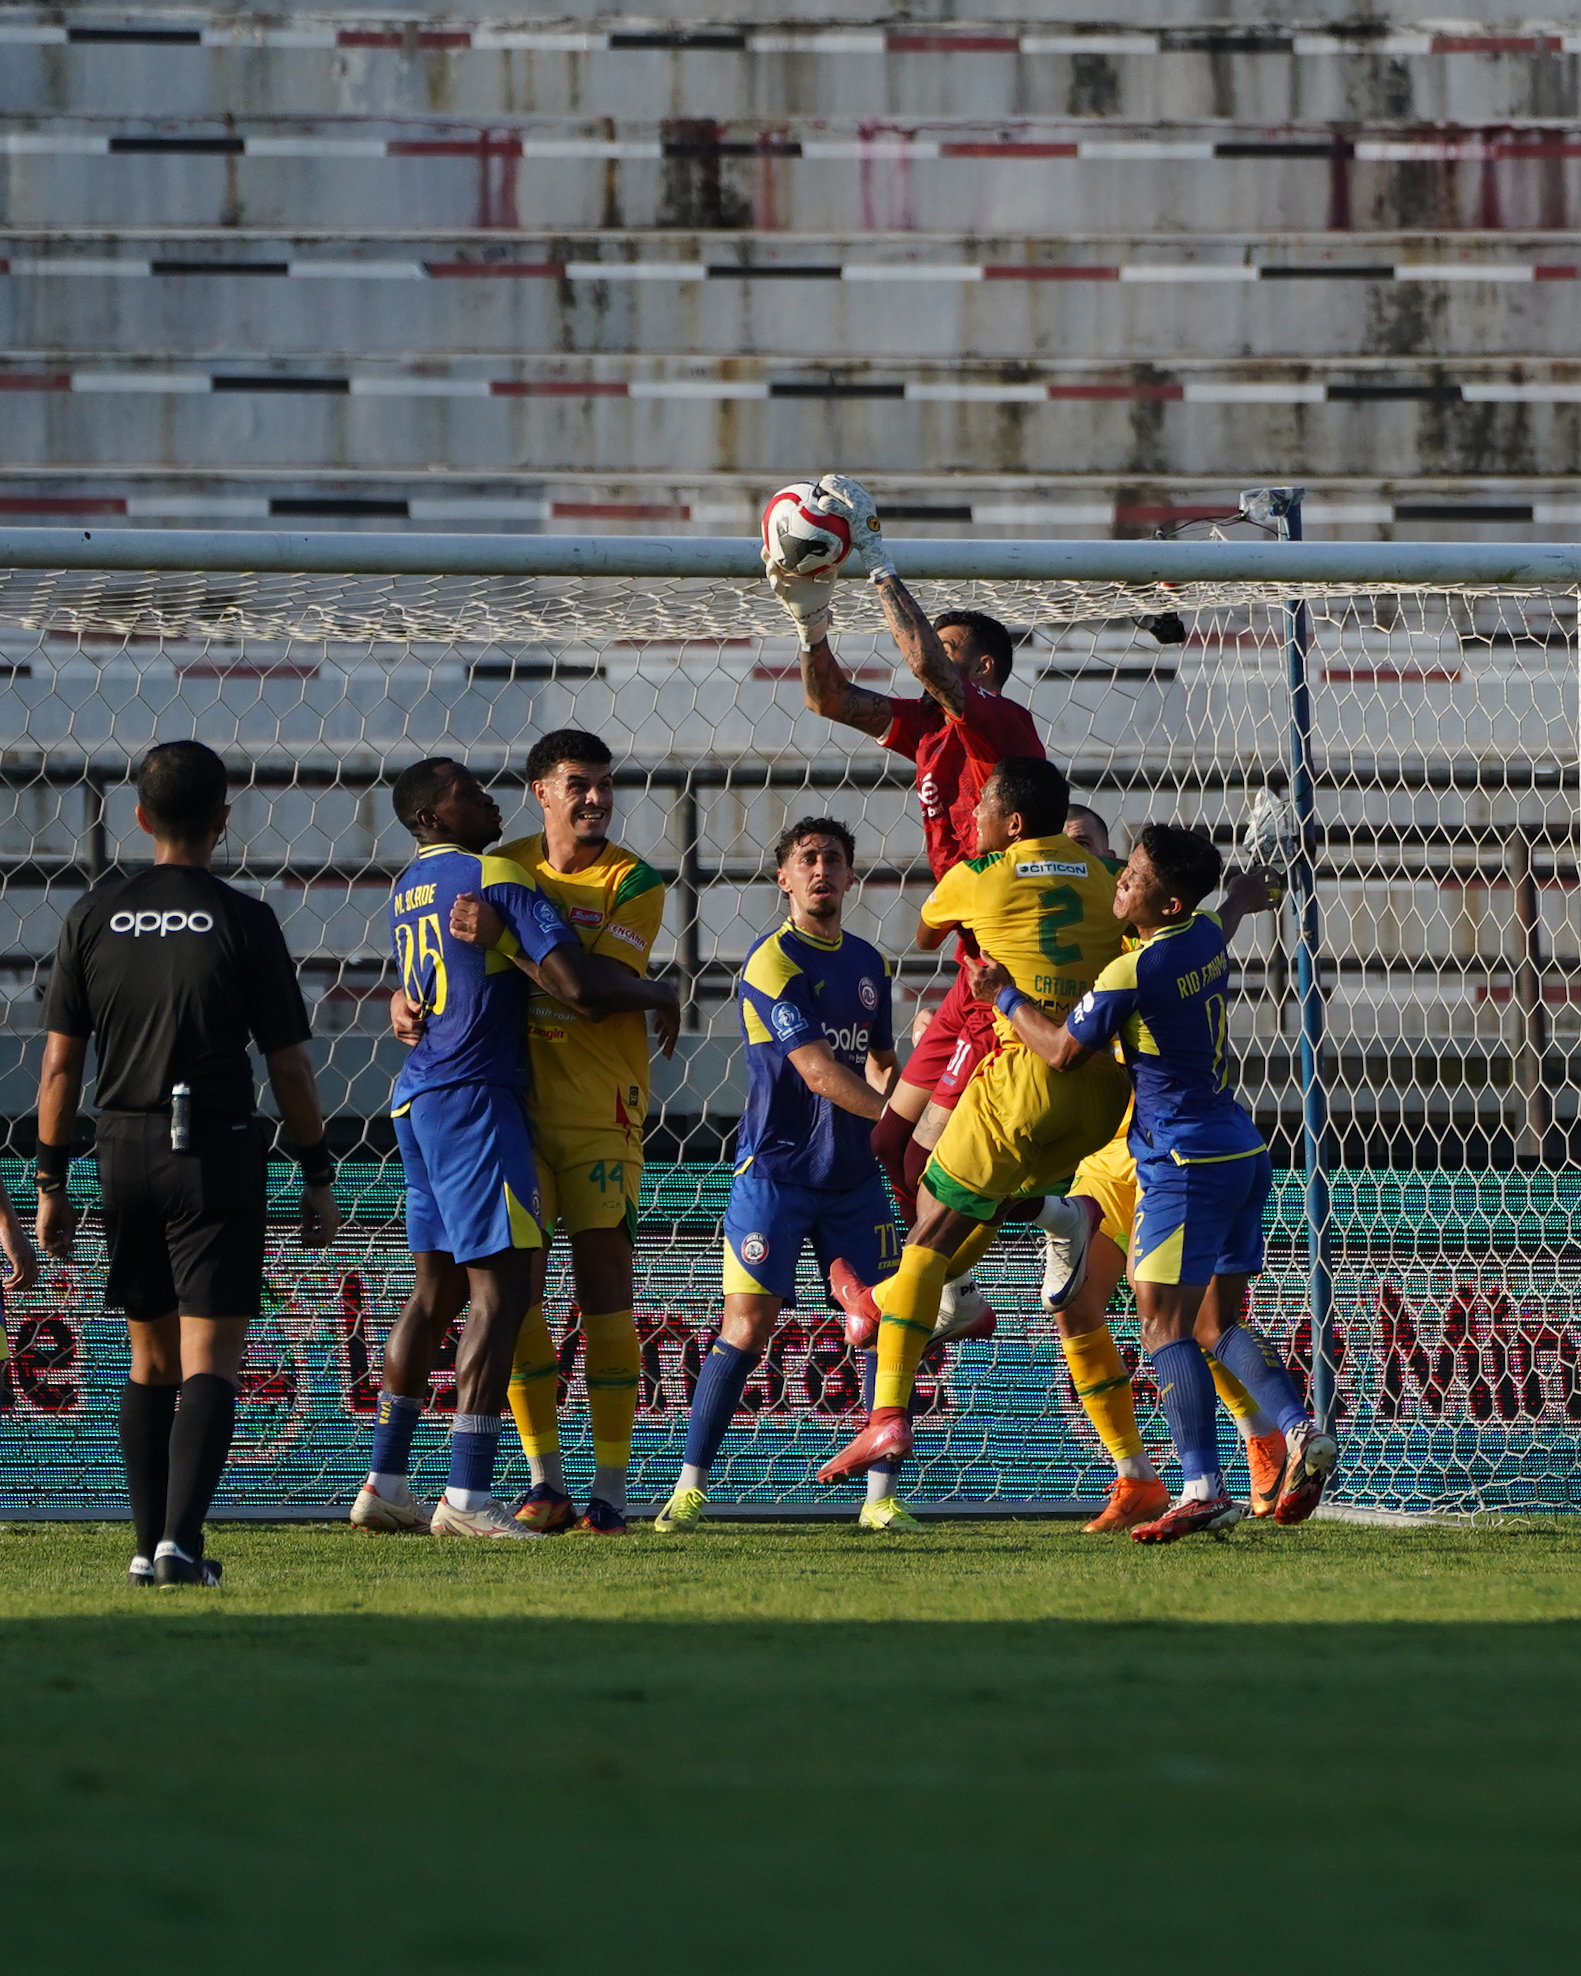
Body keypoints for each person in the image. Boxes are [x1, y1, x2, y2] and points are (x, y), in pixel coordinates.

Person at [33, 739, 342, 1588]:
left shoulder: (94, 914)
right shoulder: (244, 919)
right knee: (210, 1361)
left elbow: (59, 1066)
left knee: (149, 1361)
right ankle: (179, 1543)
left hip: (122, 1149)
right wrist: (317, 1173)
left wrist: (50, 1182)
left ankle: (145, 1546)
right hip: (214, 1149)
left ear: (139, 818)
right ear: (222, 821)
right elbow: (288, 1066)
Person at [974, 823, 1339, 1542]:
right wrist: (1246, 888)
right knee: (1214, 1324)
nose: (1120, 881)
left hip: (1181, 1163)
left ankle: (1200, 1487)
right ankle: (1298, 1429)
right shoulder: (1201, 934)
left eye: (1134, 876)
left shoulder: (1130, 972)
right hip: (1239, 1150)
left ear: (1166, 902)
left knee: (1161, 1325)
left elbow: (1060, 1053)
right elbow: (1226, 910)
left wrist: (1004, 995)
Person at [357, 758, 679, 1541]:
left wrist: (409, 995)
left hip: (442, 1095)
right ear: (434, 814)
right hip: (484, 1099)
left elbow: (439, 972)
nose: (486, 799)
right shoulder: (501, 872)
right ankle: (473, 1495)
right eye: (468, 792)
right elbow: (580, 988)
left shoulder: (409, 886)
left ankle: (388, 1482)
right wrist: (662, 992)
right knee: (502, 1294)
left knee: (441, 1291)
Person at [768, 475, 1055, 1327]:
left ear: (985, 668)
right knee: (890, 1142)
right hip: (967, 974)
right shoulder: (932, 729)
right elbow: (827, 699)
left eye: (946, 647)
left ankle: (1048, 1224)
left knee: (943, 1156)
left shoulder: (999, 722)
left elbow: (926, 662)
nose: (926, 653)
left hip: (1004, 976)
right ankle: (960, 1292)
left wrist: (878, 561)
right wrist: (808, 614)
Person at [816, 757, 1129, 1484]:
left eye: (983, 805)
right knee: (970, 1211)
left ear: (1012, 824)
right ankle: (890, 1300)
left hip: (1022, 1079)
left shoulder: (978, 875)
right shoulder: (1110, 881)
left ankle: (886, 1417)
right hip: (1099, 1094)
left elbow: (928, 937)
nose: (971, 819)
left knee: (926, 1237)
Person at [653, 818, 913, 1534]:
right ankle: (689, 1488)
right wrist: (904, 1122)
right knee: (748, 1324)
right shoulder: (770, 964)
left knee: (889, 1324)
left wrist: (900, 1117)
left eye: (833, 857)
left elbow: (878, 1061)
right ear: (784, 879)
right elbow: (818, 1071)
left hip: (855, 1178)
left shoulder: (867, 963)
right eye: (807, 859)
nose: (821, 869)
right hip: (776, 1175)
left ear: (850, 875)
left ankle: (879, 1501)